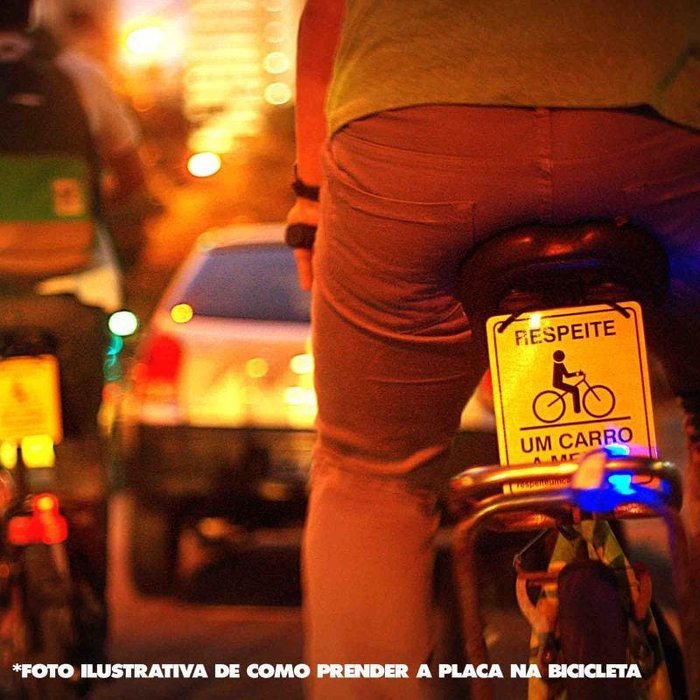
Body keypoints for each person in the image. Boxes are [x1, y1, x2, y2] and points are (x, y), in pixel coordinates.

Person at [287, 1, 700, 698]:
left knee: (372, 474)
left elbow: (326, 13)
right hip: (655, 132)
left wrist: (309, 197)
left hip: (415, 144)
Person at [0, 0, 150, 668]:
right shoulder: (79, 76)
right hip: (73, 293)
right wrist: (86, 207)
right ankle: (88, 608)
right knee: (81, 451)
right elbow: (132, 175)